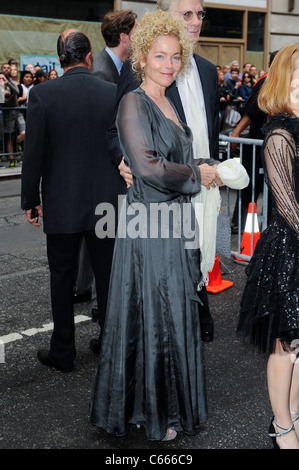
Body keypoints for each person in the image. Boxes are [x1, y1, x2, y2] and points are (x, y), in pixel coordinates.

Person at [90, 8, 220, 442]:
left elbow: (175, 157)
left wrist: (205, 166)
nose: (169, 65)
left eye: (176, 57)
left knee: (173, 314)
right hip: (150, 226)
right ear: (142, 57)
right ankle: (152, 411)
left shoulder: (169, 101)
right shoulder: (134, 100)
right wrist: (193, 176)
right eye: (160, 56)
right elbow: (146, 168)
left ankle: (168, 408)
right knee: (155, 318)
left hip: (176, 223)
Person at [103, 0, 219, 351]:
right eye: (186, 14)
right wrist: (128, 159)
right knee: (156, 299)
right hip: (158, 204)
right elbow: (117, 132)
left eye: (200, 14)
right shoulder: (136, 79)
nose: (195, 21)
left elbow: (197, 134)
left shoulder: (208, 71)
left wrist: (212, 168)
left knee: (197, 261)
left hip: (197, 190)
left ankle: (195, 319)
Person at [20, 28, 123, 373]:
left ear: (59, 57)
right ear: (89, 56)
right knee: (107, 277)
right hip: (107, 203)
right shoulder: (111, 92)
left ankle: (63, 351)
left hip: (62, 202)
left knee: (61, 277)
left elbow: (33, 153)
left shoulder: (43, 94)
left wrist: (29, 199)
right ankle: (110, 346)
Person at [236, 43, 299, 449]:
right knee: (286, 348)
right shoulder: (279, 130)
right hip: (288, 251)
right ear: (285, 78)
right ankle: (282, 428)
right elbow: (288, 205)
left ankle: (293, 414)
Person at [230, 51, 278, 233]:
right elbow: (251, 112)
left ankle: (271, 227)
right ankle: (241, 225)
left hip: (274, 145)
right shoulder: (265, 81)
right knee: (251, 184)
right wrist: (236, 132)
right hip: (257, 141)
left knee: (274, 188)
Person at [92, 10, 137, 83]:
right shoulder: (101, 73)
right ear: (123, 37)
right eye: (136, 33)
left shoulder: (120, 65)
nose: (139, 38)